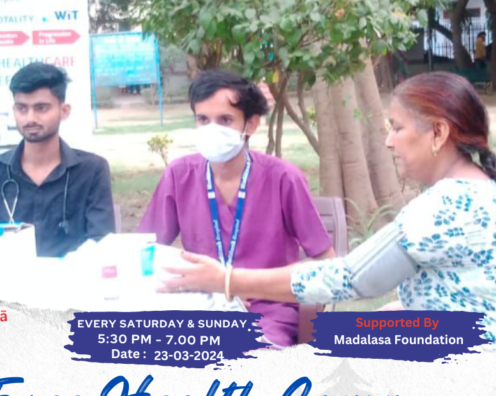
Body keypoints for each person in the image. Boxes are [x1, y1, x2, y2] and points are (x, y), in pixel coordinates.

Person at [160, 72, 496, 341]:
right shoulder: (480, 192)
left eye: (396, 128)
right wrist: (408, 308)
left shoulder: (444, 207)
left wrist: (228, 281)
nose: (388, 141)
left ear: (438, 132)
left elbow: (350, 277)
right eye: (202, 119)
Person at [137, 69, 335, 348]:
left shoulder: (283, 178)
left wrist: (241, 284)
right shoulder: (179, 175)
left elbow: (326, 262)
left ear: (250, 124)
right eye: (203, 120)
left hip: (268, 311)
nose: (212, 130)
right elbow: (144, 251)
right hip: (200, 308)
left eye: (225, 120)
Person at [0, 62, 115, 257]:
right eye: (22, 108)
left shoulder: (91, 170)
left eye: (41, 108)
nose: (30, 119)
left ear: (64, 111)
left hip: (72, 276)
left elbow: (102, 245)